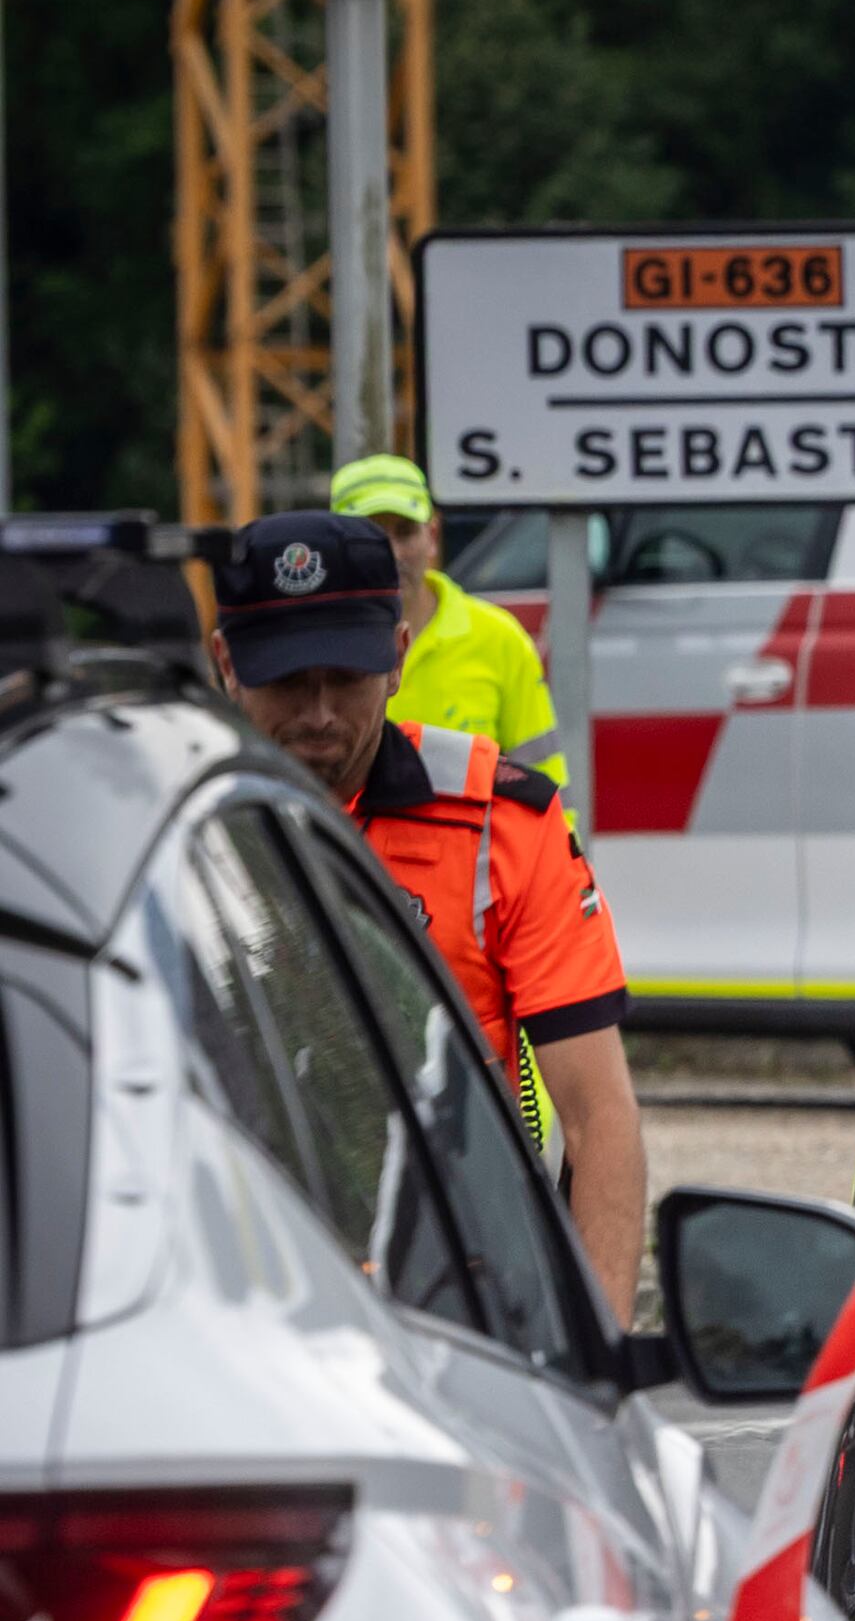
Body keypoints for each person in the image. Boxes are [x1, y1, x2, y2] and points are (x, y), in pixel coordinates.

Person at [209, 510, 647, 1316]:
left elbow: (599, 1118)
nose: (318, 713)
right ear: (226, 664)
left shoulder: (500, 824)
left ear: (399, 657)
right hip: (230, 1286)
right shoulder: (170, 825)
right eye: (288, 681)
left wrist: (603, 1352)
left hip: (457, 1285)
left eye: (346, 677)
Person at [329, 454, 570, 795]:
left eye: (405, 532)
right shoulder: (315, 644)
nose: (392, 553)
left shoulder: (498, 638)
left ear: (432, 535)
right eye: (372, 535)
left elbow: (545, 791)